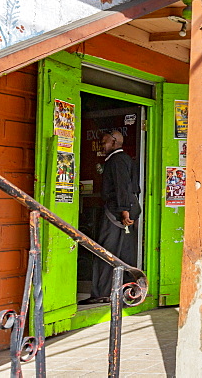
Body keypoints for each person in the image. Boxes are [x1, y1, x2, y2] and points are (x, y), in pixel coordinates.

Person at [80, 129, 141, 305]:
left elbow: (123, 187)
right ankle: (126, 291)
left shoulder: (116, 160)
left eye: (104, 141)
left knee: (106, 252)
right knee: (123, 253)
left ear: (114, 142)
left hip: (117, 213)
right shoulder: (126, 159)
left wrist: (123, 210)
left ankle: (104, 292)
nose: (102, 145)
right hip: (125, 211)